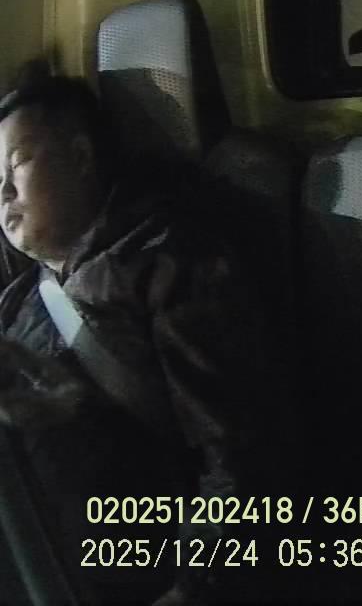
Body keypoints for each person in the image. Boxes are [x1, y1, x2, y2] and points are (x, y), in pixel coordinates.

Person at [0, 64, 278, 605]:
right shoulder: (19, 295)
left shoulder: (169, 266)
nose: (4, 192)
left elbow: (237, 458)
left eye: (17, 164)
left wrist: (191, 588)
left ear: (80, 156)